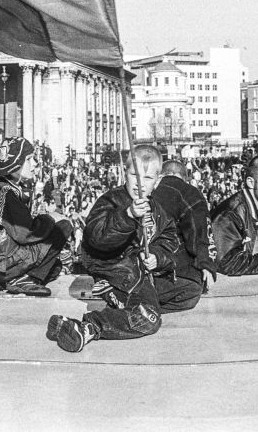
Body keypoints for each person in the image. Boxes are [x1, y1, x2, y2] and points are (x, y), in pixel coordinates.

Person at [46, 144, 187, 353]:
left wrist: (158, 257)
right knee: (148, 318)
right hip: (114, 270)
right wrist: (127, 215)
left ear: (157, 182)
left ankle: (65, 325)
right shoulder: (111, 201)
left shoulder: (158, 210)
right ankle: (88, 327)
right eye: (134, 175)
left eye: (148, 178)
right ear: (124, 172)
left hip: (137, 272)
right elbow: (98, 237)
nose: (140, 183)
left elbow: (169, 240)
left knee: (183, 294)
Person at [0, 137, 73, 297]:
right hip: (2, 258)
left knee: (55, 266)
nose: (35, 164)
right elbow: (25, 234)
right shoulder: (7, 192)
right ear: (16, 163)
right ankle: (24, 280)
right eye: (29, 159)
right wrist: (50, 218)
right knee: (64, 226)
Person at [150, 159, 216, 300]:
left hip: (141, 262)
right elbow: (200, 231)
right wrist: (205, 264)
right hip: (170, 268)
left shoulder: (147, 188)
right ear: (185, 178)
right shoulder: (189, 192)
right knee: (191, 291)